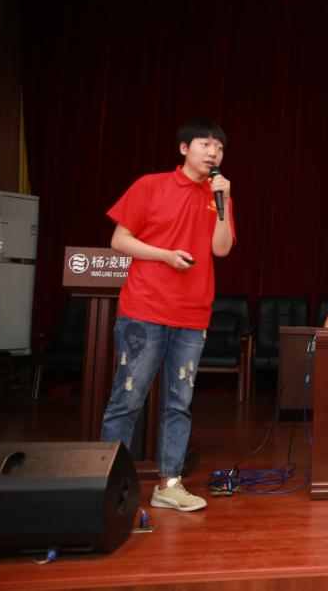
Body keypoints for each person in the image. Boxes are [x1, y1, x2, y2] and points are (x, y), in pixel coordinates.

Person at [100, 119, 236, 512]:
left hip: (193, 315)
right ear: (183, 148)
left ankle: (169, 484)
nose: (213, 152)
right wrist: (164, 256)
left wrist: (224, 204)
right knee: (127, 399)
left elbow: (222, 249)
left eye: (219, 147)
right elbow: (119, 240)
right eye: (205, 144)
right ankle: (108, 484)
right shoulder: (150, 185)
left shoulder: (219, 195)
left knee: (179, 403)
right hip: (144, 310)